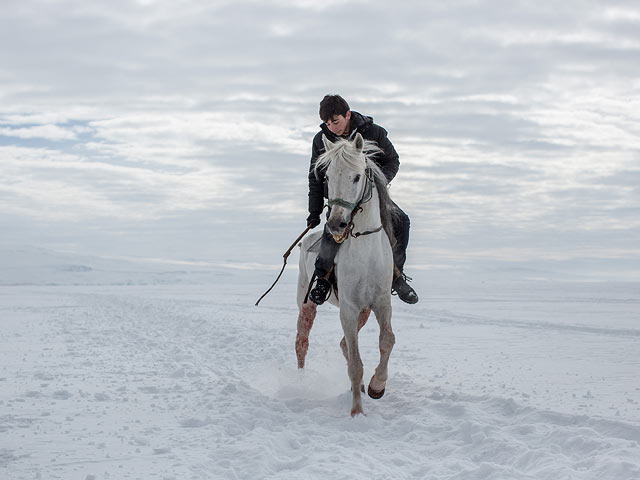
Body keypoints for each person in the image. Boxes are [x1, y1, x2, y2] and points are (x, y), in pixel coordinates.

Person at [306, 94, 419, 305]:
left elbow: (393, 160)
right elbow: (315, 177)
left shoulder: (373, 132)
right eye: (327, 123)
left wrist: (377, 185)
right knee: (332, 229)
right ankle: (322, 279)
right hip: (341, 198)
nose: (332, 127)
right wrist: (314, 212)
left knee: (402, 221)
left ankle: (396, 276)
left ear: (347, 114)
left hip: (371, 195)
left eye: (336, 121)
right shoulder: (321, 140)